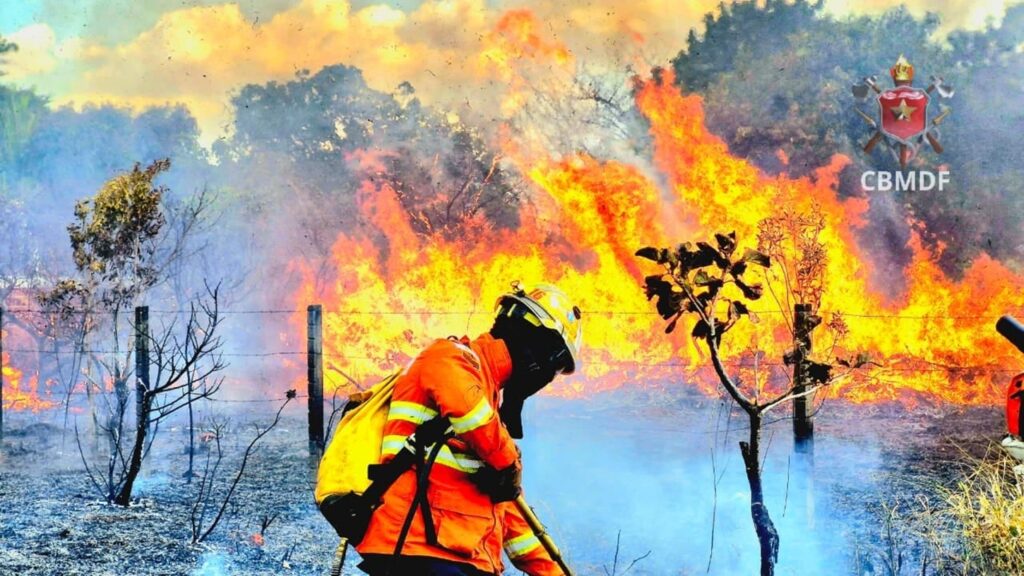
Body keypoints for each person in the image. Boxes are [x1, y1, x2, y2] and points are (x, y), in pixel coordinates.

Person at [355, 282, 582, 576]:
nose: (548, 378)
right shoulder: (449, 357)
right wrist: (511, 461)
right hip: (417, 547)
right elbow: (471, 414)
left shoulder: (489, 407)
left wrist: (552, 572)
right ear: (537, 346)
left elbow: (512, 512)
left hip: (459, 558)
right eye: (555, 365)